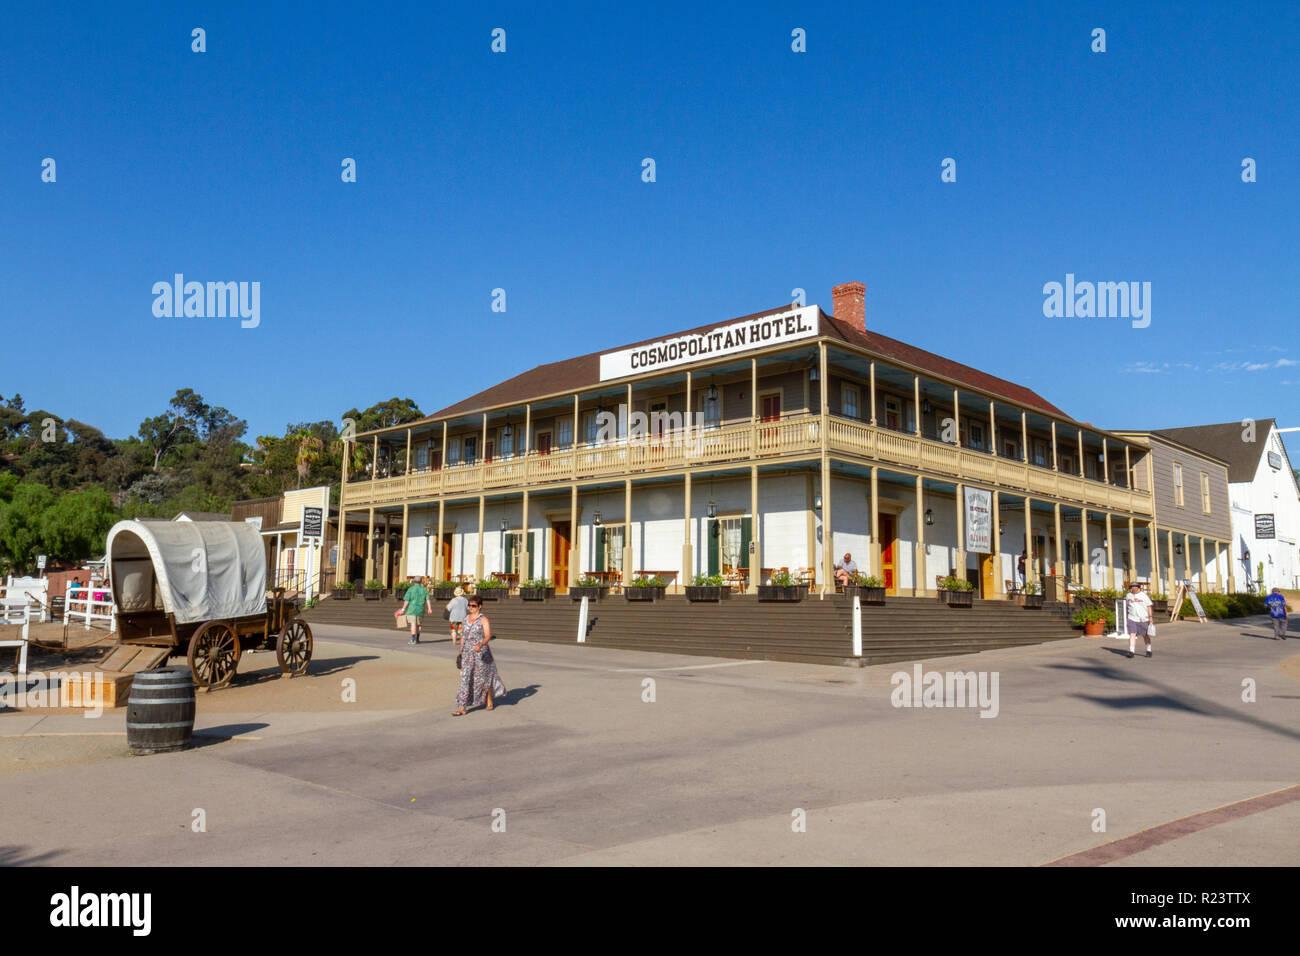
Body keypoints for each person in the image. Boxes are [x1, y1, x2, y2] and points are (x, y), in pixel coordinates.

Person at [451, 595, 507, 716]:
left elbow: (487, 635)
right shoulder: (465, 619)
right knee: (465, 679)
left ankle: (489, 699)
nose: (470, 607)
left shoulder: (483, 619)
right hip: (467, 653)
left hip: (481, 653)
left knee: (483, 678)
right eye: (469, 605)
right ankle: (462, 707)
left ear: (479, 607)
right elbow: (463, 636)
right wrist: (460, 652)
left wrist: (481, 644)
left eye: (473, 606)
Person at [1124, 581, 1154, 659]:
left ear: (1138, 588)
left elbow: (1149, 606)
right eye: (1132, 587)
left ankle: (1148, 650)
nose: (1133, 588)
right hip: (1132, 618)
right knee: (1132, 634)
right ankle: (1131, 651)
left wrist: (1150, 617)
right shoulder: (1128, 596)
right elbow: (1127, 606)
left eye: (1135, 587)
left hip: (1143, 618)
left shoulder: (1144, 596)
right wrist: (1127, 616)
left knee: (1145, 635)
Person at [399, 576, 430, 645]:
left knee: (413, 624)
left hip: (412, 609)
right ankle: (417, 639)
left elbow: (407, 600)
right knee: (419, 624)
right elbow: (427, 599)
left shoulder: (411, 589)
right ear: (421, 581)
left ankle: (413, 640)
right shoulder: (424, 589)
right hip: (420, 609)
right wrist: (429, 608)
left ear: (414, 581)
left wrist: (403, 609)